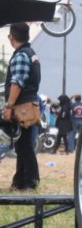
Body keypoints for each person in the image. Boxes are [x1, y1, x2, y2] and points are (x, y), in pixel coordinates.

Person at [3, 22, 41, 190]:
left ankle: (31, 181)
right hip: (28, 105)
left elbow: (17, 83)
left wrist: (9, 106)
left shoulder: (20, 56)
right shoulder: (31, 54)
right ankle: (19, 182)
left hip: (21, 107)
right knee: (22, 145)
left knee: (24, 146)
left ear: (12, 37)